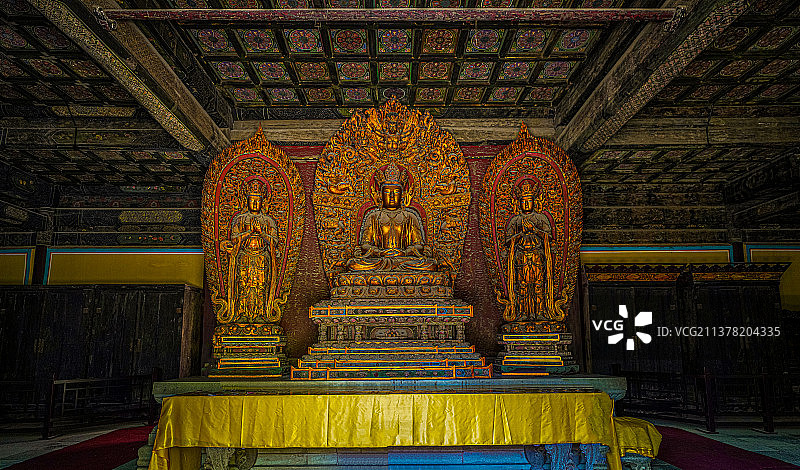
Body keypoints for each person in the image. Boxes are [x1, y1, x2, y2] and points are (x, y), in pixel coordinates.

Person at [221, 176, 279, 322]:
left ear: (262, 202)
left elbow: (274, 241)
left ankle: (261, 315)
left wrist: (261, 233)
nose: (255, 203)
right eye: (252, 200)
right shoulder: (240, 219)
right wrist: (248, 232)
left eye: (258, 200)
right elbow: (234, 239)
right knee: (243, 285)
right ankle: (240, 314)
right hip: (244, 256)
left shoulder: (268, 220)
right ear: (246, 201)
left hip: (261, 257)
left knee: (260, 286)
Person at [504, 177, 558, 321]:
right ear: (519, 203)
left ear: (535, 202)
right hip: (521, 256)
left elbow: (549, 237)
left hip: (537, 254)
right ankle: (522, 313)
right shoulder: (515, 220)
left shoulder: (541, 218)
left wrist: (535, 230)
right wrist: (521, 233)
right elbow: (508, 241)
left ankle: (540, 312)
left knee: (539, 285)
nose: (526, 204)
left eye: (529, 201)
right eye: (523, 201)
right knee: (522, 285)